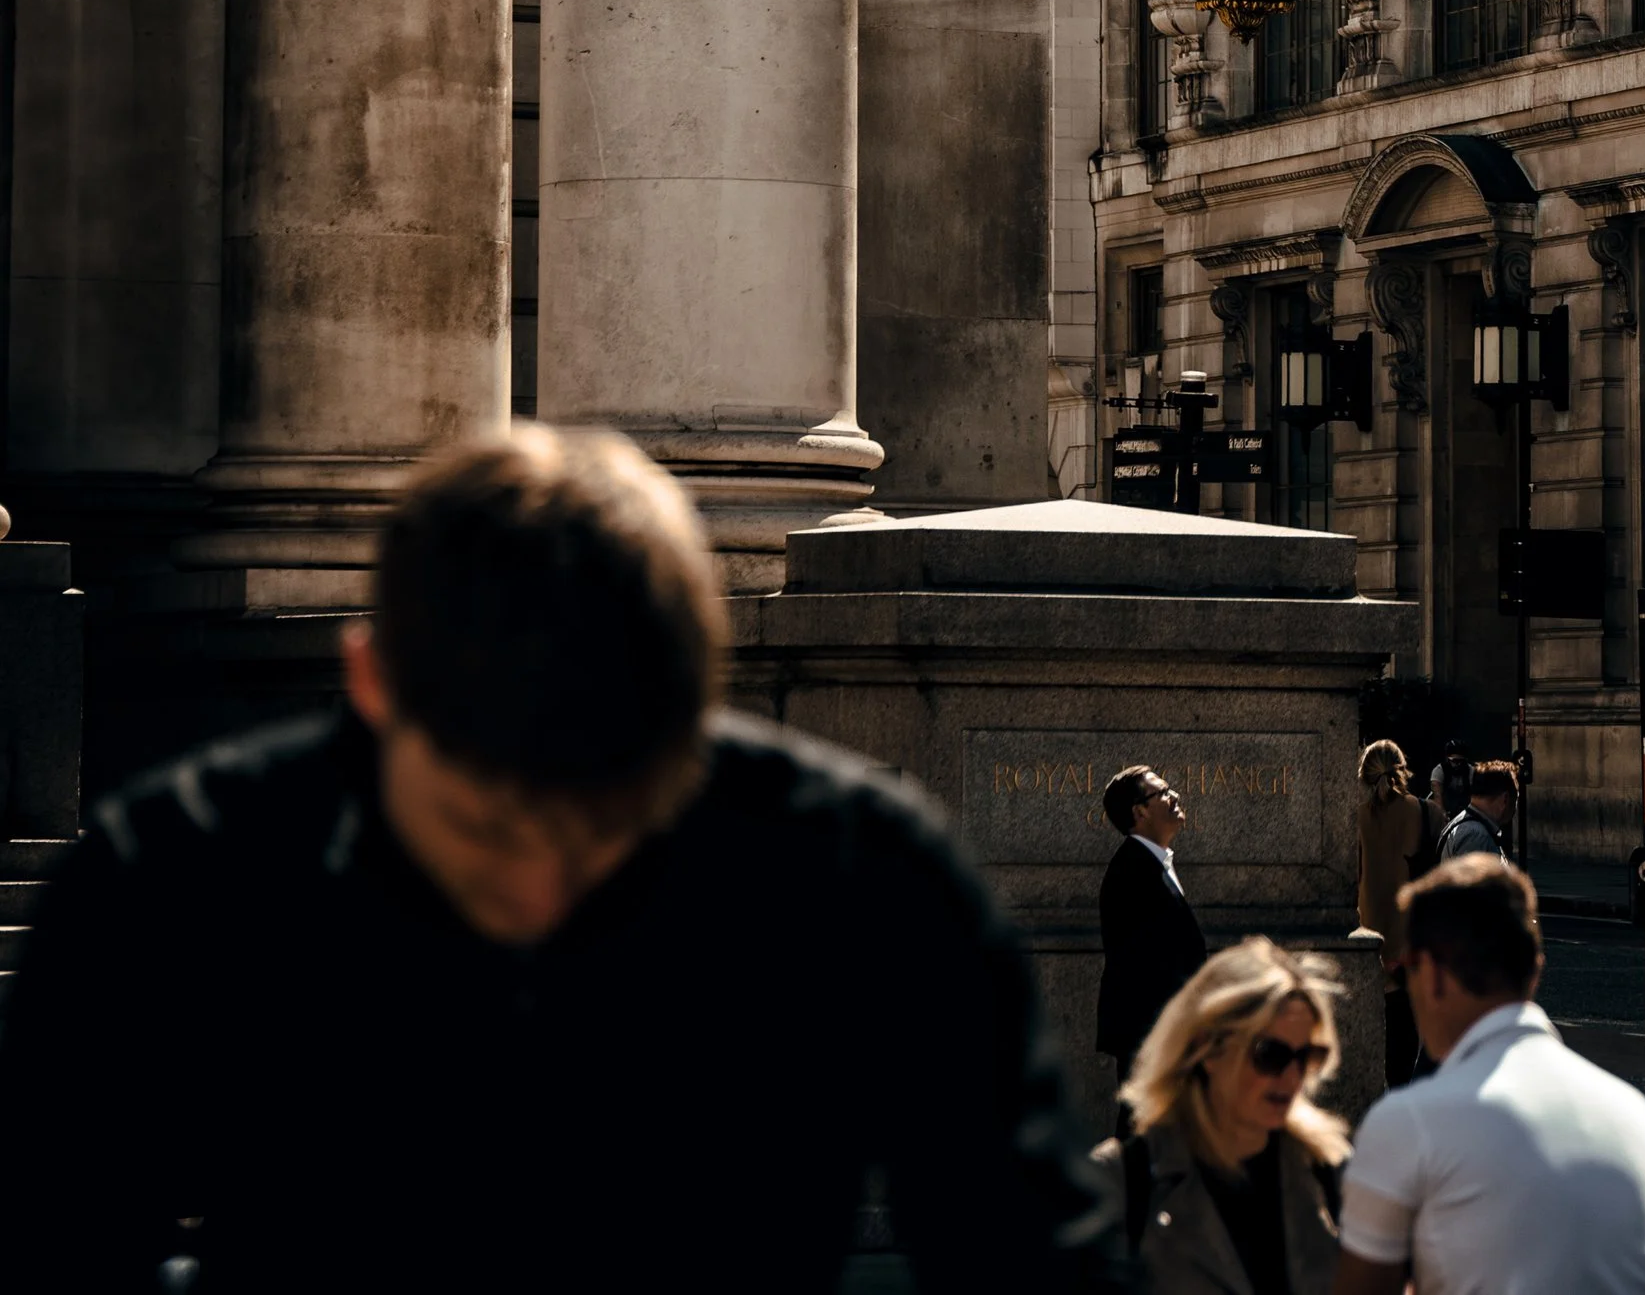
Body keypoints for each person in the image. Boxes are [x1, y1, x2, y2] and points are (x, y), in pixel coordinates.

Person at [0, 425, 1123, 1295]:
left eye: (606, 827)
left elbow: (1027, 1255)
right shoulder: (172, 883)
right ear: (373, 684)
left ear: (699, 725)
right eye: (488, 824)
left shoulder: (864, 875)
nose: (542, 889)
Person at [1332, 856, 1645, 1295]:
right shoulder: (1635, 1117)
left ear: (1433, 975)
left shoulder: (1409, 1124)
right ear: (1534, 969)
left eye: (1408, 968)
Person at [1103, 937, 1348, 1293]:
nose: (1293, 1078)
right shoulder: (1124, 1182)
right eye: (1271, 1055)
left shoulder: (1330, 1173)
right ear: (1209, 1050)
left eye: (1307, 1057)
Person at [1101, 759, 1210, 1080]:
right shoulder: (1131, 871)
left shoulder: (1152, 861)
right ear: (1140, 812)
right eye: (1161, 792)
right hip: (1152, 1035)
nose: (1174, 795)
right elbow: (1145, 962)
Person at [1356, 740, 1435, 1087]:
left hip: (1363, 948)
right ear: (1403, 769)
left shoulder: (1350, 818)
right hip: (1409, 952)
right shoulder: (1426, 813)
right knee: (1405, 1065)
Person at [1438, 759, 1515, 863]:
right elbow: (1470, 878)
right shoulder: (1476, 835)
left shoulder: (1471, 828)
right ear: (1505, 799)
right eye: (1516, 798)